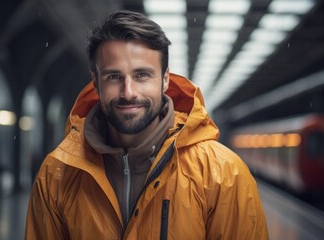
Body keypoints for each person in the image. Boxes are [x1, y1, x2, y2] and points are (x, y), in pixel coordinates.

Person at [25, 10, 268, 239]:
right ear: (96, 82)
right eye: (114, 76)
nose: (128, 92)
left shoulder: (223, 174)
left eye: (142, 75)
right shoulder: (57, 174)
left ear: (164, 80)